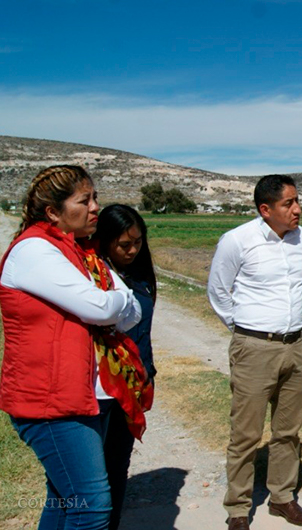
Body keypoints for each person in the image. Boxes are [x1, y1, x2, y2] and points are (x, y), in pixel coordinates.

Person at [0, 165, 144, 530]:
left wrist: (111, 303)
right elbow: (100, 307)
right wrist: (111, 303)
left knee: (66, 500)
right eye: (85, 200)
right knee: (92, 507)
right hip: (49, 400)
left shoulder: (78, 252)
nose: (96, 207)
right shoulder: (35, 250)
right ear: (53, 212)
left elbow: (132, 311)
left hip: (71, 396)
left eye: (94, 197)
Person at [208, 174, 302, 530]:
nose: (298, 209)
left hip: (297, 345)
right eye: (289, 203)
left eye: (297, 201)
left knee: (288, 429)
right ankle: (238, 508)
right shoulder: (237, 241)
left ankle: (282, 498)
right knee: (246, 434)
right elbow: (219, 292)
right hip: (255, 347)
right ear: (265, 209)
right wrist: (245, 332)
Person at [94, 203, 158, 530]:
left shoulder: (141, 277)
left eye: (138, 242)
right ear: (104, 241)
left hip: (136, 381)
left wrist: (148, 372)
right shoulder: (93, 277)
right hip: (104, 387)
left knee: (119, 464)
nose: (133, 250)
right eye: (124, 244)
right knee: (94, 471)